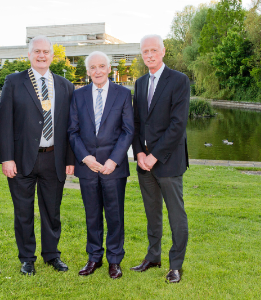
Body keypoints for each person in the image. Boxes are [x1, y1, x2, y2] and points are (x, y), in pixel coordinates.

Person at [0, 35, 75, 276]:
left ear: (53, 56)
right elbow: (4, 122)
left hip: (55, 158)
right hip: (21, 159)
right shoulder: (14, 81)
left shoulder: (64, 85)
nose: (41, 55)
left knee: (52, 211)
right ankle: (27, 258)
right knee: (23, 211)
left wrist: (70, 159)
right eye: (37, 51)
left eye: (46, 52)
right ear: (29, 55)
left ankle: (52, 255)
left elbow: (71, 126)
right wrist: (6, 158)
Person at [68, 51, 134, 279]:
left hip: (113, 167)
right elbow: (73, 132)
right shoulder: (78, 96)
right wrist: (85, 157)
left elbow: (128, 131)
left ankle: (114, 260)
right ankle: (94, 257)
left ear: (109, 69)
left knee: (115, 215)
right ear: (88, 72)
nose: (97, 71)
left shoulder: (124, 94)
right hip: (88, 166)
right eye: (93, 67)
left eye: (101, 66)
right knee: (92, 215)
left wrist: (113, 160)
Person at [131, 34, 190, 283]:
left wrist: (154, 155)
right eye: (145, 51)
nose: (150, 55)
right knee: (152, 213)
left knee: (176, 215)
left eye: (154, 50)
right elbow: (135, 122)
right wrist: (140, 153)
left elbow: (178, 125)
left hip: (168, 161)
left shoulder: (179, 81)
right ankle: (153, 257)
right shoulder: (140, 82)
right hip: (145, 164)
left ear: (163, 51)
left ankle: (175, 264)